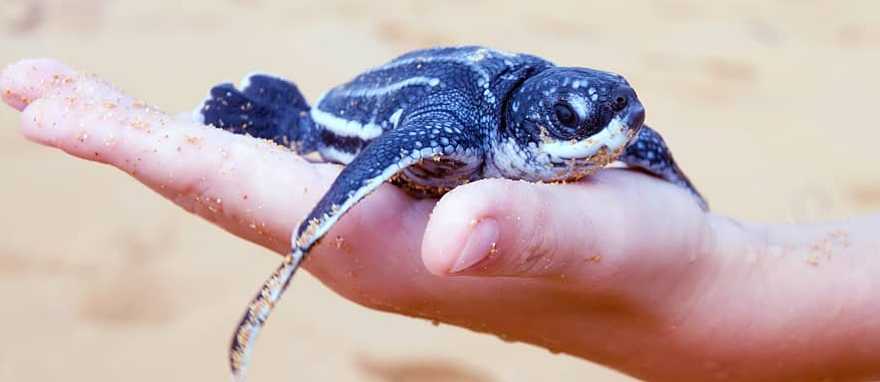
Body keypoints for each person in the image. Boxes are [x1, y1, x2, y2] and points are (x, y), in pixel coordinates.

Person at [3, 59, 879, 381]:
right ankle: (267, 109)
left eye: (626, 122)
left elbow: (632, 144)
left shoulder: (608, 131)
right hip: (348, 115)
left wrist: (708, 253)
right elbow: (356, 173)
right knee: (312, 140)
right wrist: (301, 250)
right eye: (582, 125)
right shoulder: (461, 129)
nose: (614, 138)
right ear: (529, 125)